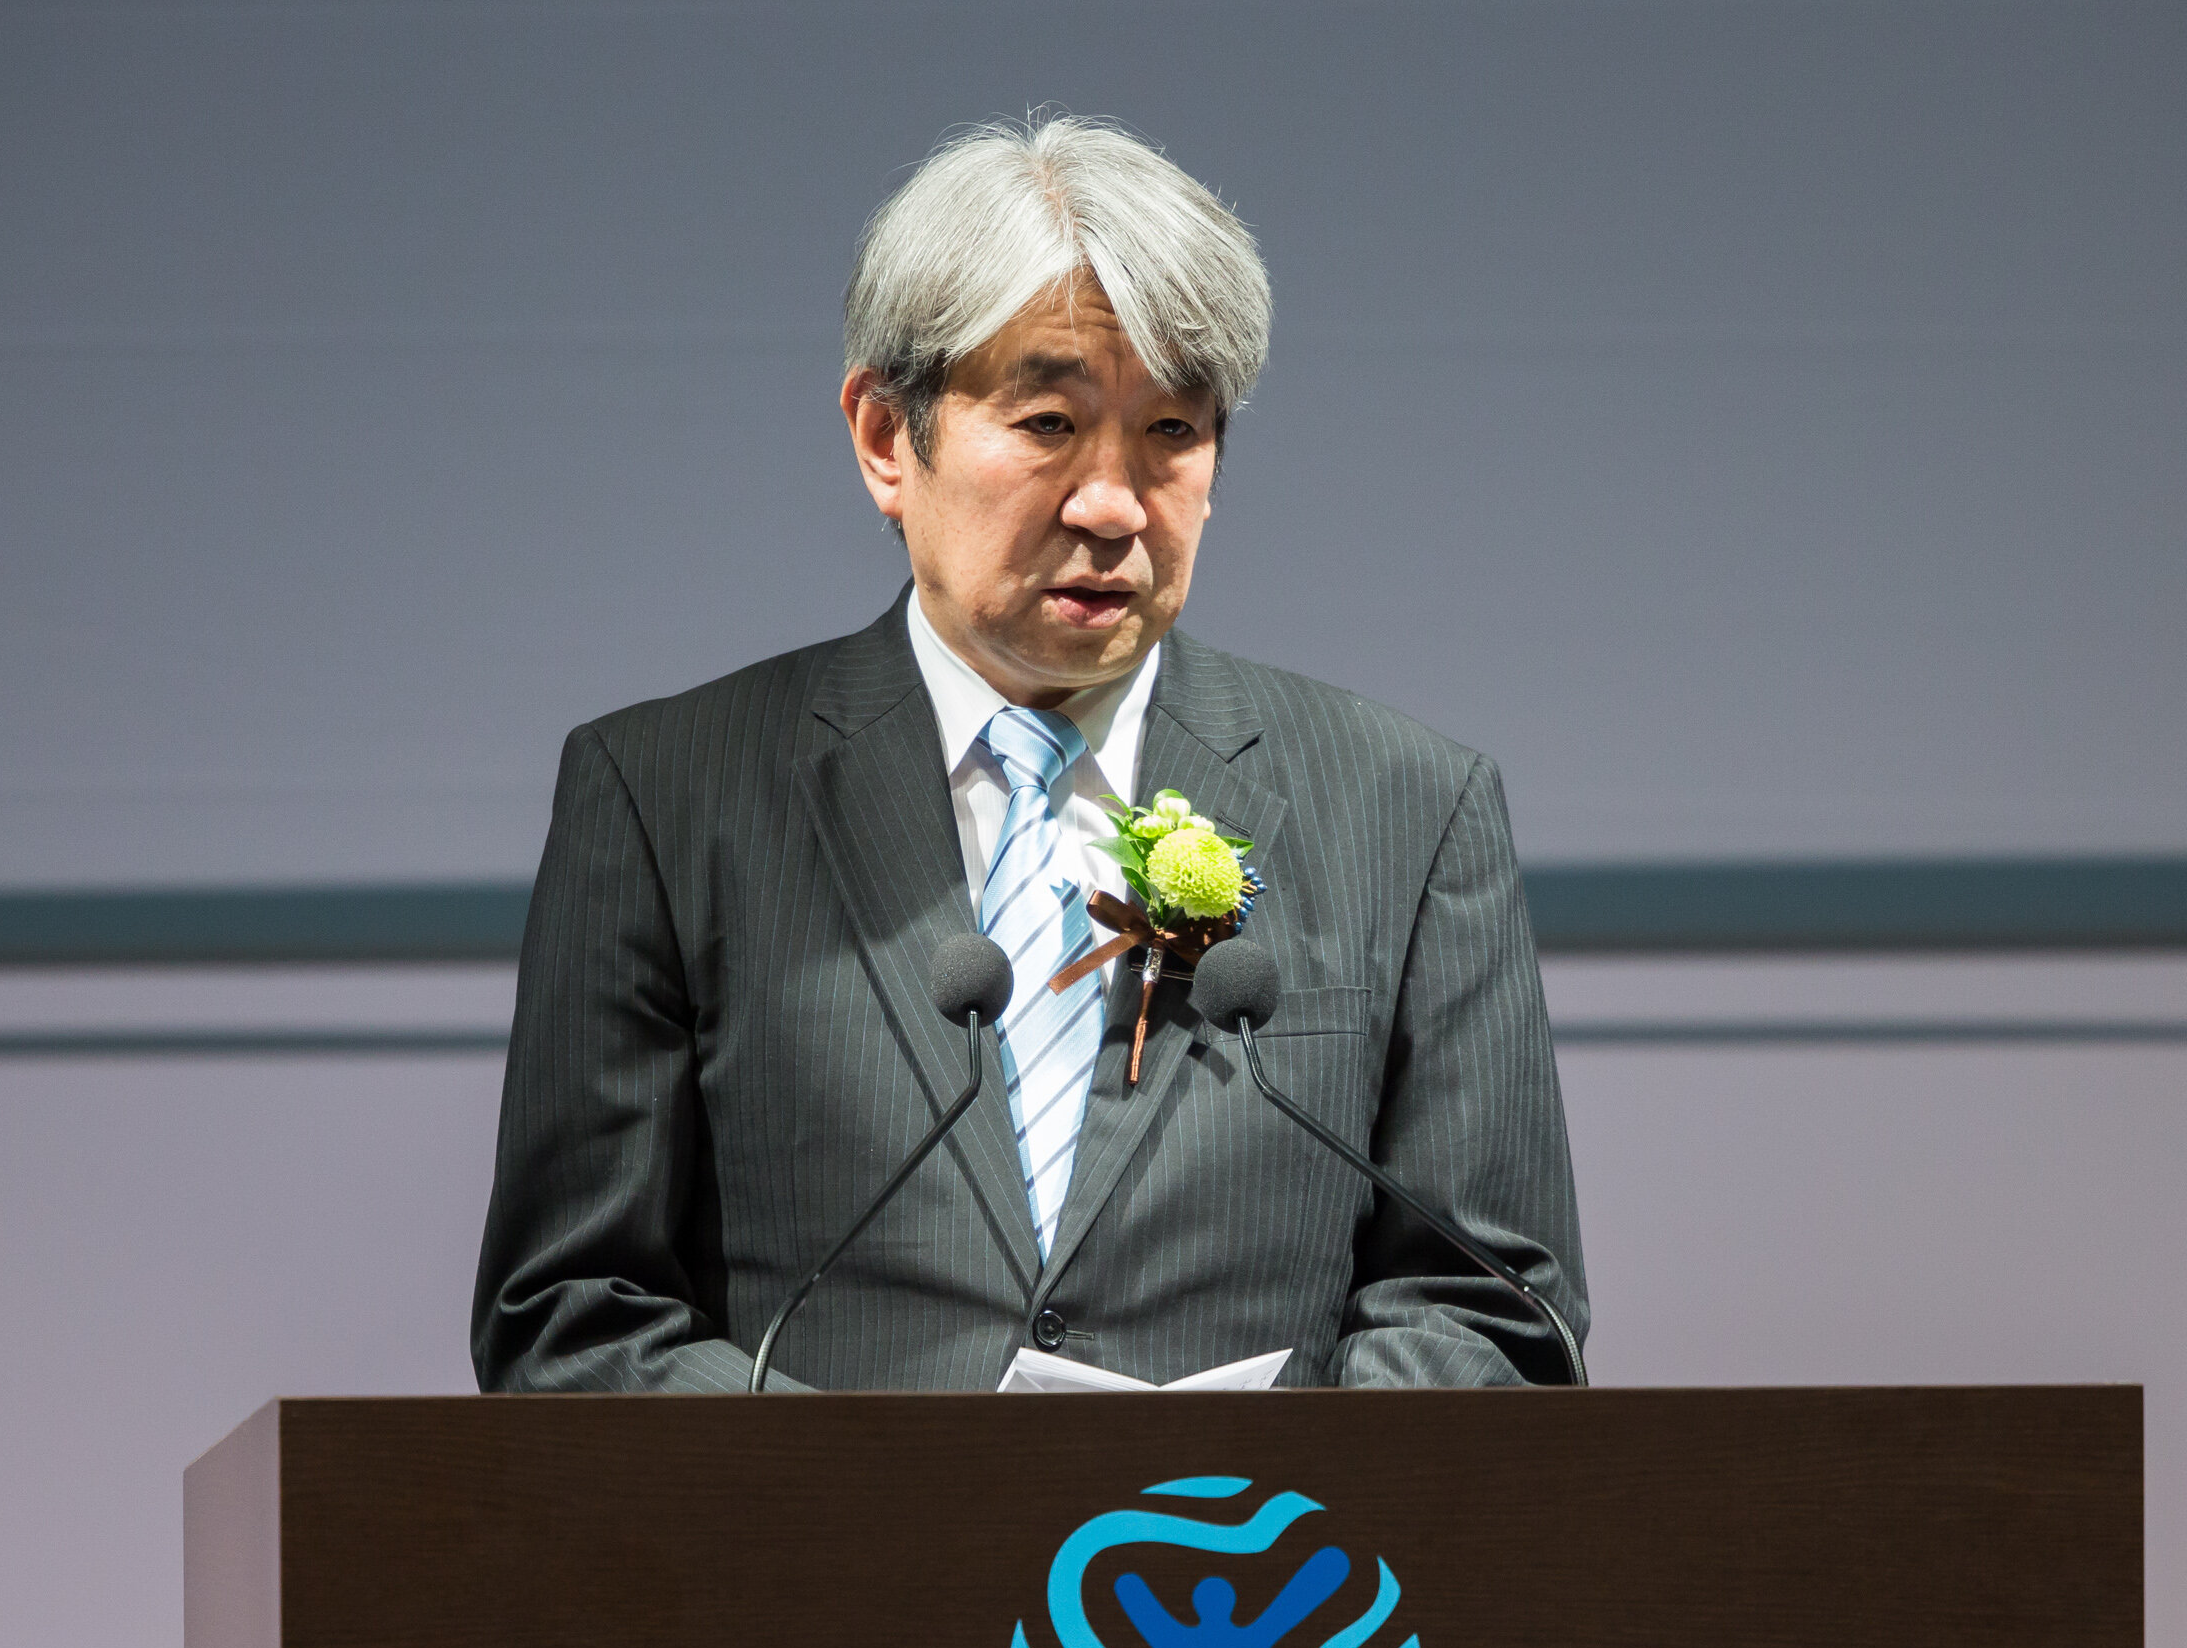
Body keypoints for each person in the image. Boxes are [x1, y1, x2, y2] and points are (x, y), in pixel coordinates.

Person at [472, 113, 1584, 1393]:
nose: (1113, 505)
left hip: (1253, 1534)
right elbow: (575, 1317)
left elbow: (1496, 1308)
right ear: (886, 439)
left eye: (1173, 432)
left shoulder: (1411, 811)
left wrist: (1252, 1491)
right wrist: (878, 1490)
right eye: (1050, 422)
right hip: (820, 1530)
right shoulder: (666, 801)